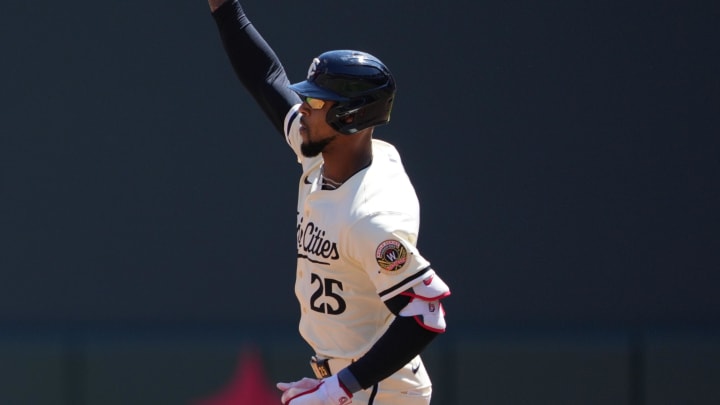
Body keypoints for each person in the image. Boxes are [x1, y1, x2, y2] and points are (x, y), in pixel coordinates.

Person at [207, 1, 451, 404]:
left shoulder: (370, 217)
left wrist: (339, 387)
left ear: (351, 117)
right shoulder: (320, 152)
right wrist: (226, 9)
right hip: (354, 377)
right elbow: (267, 77)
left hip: (381, 391)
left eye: (317, 102)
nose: (302, 108)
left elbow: (426, 314)